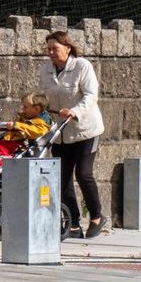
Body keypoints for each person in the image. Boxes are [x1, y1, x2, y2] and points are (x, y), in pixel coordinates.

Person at [41, 30, 106, 239]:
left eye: (55, 49)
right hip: (61, 132)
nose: (51, 53)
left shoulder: (82, 66)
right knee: (62, 177)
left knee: (84, 174)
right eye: (48, 49)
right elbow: (44, 97)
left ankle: (96, 216)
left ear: (67, 48)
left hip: (86, 129)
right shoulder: (46, 70)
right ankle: (74, 224)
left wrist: (74, 111)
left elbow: (90, 95)